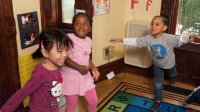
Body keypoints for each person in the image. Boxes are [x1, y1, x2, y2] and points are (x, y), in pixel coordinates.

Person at [110, 15, 200, 111]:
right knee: (158, 83)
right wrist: (121, 40)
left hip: (170, 64)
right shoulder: (148, 39)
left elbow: (181, 39)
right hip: (157, 65)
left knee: (172, 74)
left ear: (164, 28)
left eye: (157, 24)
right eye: (152, 24)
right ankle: (158, 101)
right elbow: (136, 41)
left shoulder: (168, 38)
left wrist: (190, 37)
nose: (153, 26)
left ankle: (173, 77)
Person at [0, 28, 73, 112]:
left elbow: (53, 96)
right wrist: (5, 109)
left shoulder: (57, 65)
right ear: (45, 52)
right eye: (60, 51)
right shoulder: (41, 73)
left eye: (66, 49)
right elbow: (24, 92)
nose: (64, 54)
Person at [61, 13, 100, 112]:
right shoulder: (68, 38)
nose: (81, 26)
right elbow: (64, 58)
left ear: (90, 28)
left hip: (85, 77)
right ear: (73, 26)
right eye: (77, 23)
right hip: (70, 78)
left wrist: (93, 68)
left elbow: (87, 58)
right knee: (71, 104)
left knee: (93, 101)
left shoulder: (89, 41)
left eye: (85, 24)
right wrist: (79, 67)